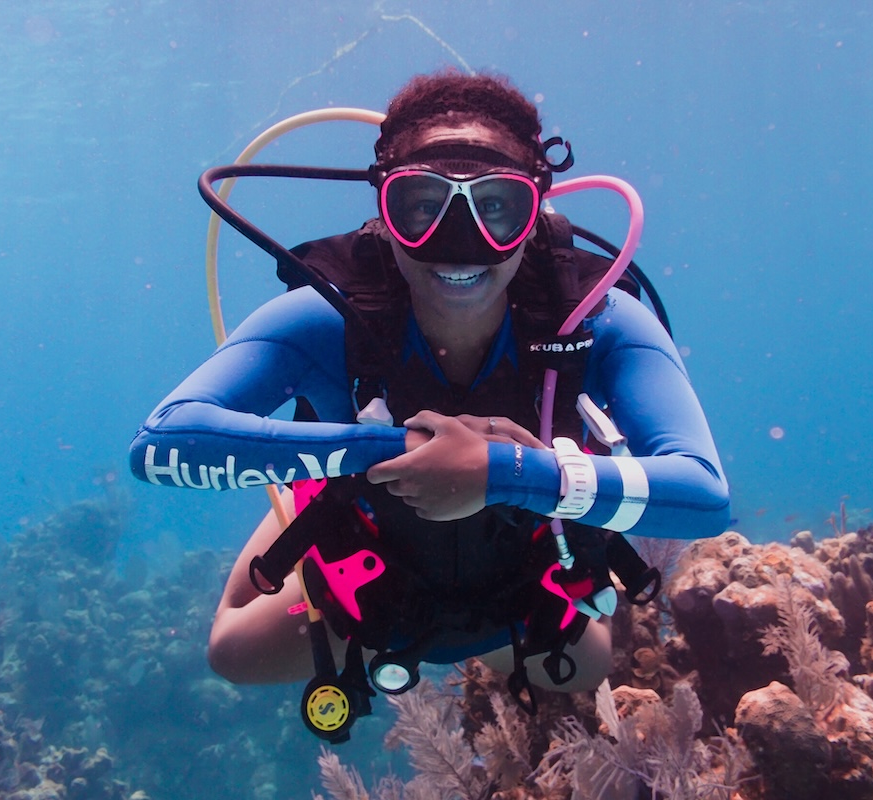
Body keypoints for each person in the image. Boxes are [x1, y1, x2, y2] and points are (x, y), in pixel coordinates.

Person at [130, 71, 729, 709]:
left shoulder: (594, 321)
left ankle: (306, 478)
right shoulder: (324, 318)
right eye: (422, 205)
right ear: (383, 214)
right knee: (232, 653)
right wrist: (386, 449)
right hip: (365, 581)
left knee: (582, 667)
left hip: (517, 590)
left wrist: (503, 472)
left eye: (496, 204)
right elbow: (159, 444)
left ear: (535, 214)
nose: (459, 239)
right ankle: (303, 492)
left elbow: (705, 495)